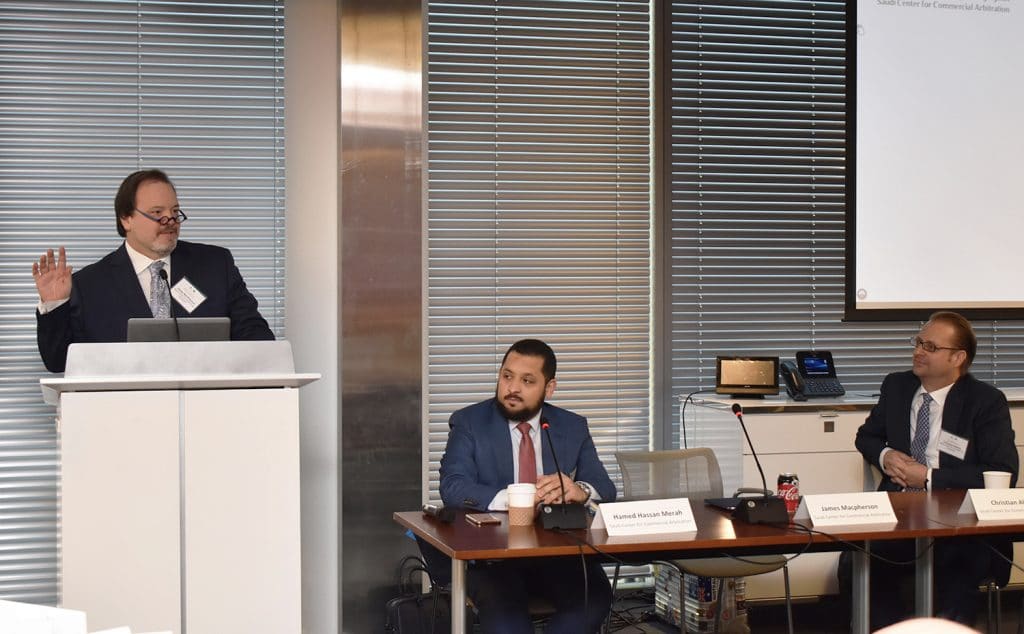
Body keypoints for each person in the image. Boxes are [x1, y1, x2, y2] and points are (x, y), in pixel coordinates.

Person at [845, 310, 1018, 628]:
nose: (918, 351)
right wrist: (885, 456)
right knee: (855, 563)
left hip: (960, 525)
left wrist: (927, 477)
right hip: (900, 516)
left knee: (955, 572)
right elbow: (866, 437)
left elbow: (1001, 471)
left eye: (930, 347)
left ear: (958, 358)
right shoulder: (897, 386)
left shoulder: (985, 401)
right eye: (918, 342)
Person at [439, 339, 617, 633]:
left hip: (557, 556)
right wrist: (512, 499)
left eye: (527, 381)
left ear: (549, 388)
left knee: (594, 598)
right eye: (507, 376)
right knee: (508, 618)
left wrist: (579, 490)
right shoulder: (469, 422)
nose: (512, 388)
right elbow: (453, 486)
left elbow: (604, 487)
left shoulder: (572, 426)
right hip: (493, 559)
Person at [32, 169, 274, 373]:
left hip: (208, 404)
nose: (170, 221)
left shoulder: (215, 265)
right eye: (158, 213)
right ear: (126, 219)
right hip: (124, 408)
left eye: (175, 212)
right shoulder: (89, 285)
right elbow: (58, 361)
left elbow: (257, 338)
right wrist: (55, 306)